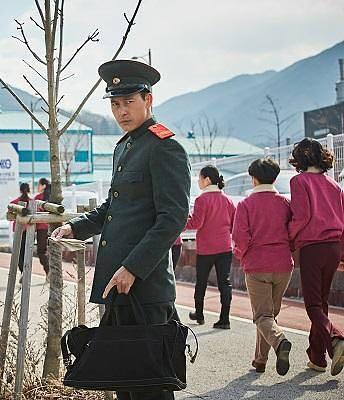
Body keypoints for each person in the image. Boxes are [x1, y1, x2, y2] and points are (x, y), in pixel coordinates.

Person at [52, 59, 190, 400]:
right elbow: (114, 209)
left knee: (149, 387)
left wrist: (133, 268)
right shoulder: (126, 146)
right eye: (115, 103)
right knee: (125, 382)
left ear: (148, 100)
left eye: (129, 101)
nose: (121, 111)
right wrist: (75, 226)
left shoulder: (164, 147)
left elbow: (172, 218)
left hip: (144, 285)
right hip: (117, 283)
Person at [232, 158, 293, 375]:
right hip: (284, 264)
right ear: (275, 177)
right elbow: (292, 232)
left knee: (262, 316)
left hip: (257, 265)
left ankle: (280, 341)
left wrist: (240, 255)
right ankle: (260, 361)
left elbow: (240, 238)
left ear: (253, 178)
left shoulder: (246, 205)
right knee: (269, 315)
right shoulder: (285, 203)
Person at [288, 138, 344, 376]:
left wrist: (289, 238)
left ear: (299, 159)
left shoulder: (298, 181)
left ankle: (336, 338)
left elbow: (301, 216)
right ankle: (317, 357)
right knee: (321, 303)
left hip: (312, 247)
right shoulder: (334, 185)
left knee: (312, 305)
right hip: (334, 247)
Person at [185, 165, 235, 329]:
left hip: (206, 249)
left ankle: (199, 314)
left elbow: (196, 223)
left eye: (199, 179)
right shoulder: (227, 200)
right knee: (224, 283)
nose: (198, 182)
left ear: (207, 180)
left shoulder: (202, 200)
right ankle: (224, 319)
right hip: (225, 247)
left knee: (201, 282)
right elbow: (235, 223)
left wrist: (181, 222)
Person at [10, 183, 31, 278]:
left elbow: (10, 216)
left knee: (19, 253)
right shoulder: (32, 202)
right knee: (27, 253)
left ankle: (23, 272)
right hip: (30, 230)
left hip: (19, 231)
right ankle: (26, 273)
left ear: (20, 190)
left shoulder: (14, 202)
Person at [34, 178, 51, 276]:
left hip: (42, 228)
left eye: (38, 185)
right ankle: (52, 272)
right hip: (53, 227)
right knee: (52, 250)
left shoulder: (38, 198)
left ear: (43, 186)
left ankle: (48, 271)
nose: (37, 187)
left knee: (41, 251)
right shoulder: (53, 197)